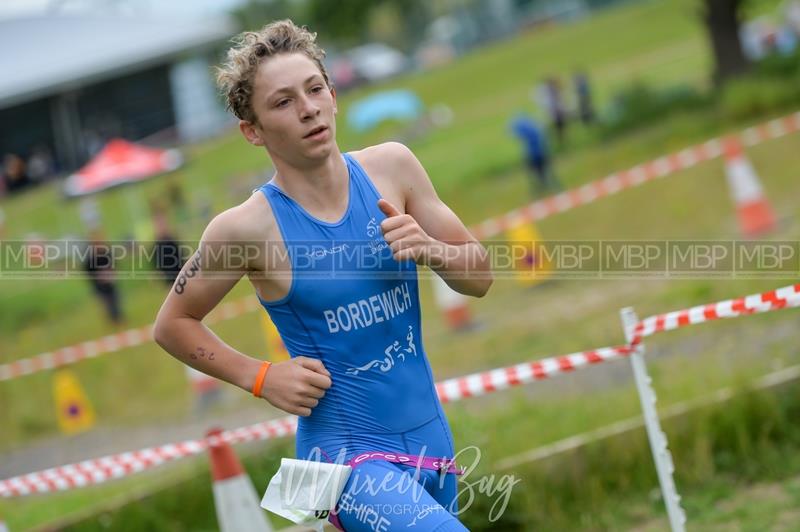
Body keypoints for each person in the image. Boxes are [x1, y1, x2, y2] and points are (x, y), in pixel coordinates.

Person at [153, 20, 492, 530]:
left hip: (432, 442)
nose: (307, 107)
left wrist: (432, 250)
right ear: (253, 130)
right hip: (345, 461)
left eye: (314, 90)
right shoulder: (246, 228)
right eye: (283, 102)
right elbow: (172, 324)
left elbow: (480, 275)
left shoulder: (393, 168)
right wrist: (260, 376)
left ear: (333, 96)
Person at [510, 113, 561, 197]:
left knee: (539, 174)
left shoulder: (528, 134)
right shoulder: (535, 129)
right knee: (546, 172)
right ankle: (550, 187)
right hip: (542, 154)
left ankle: (544, 189)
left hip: (535, 156)